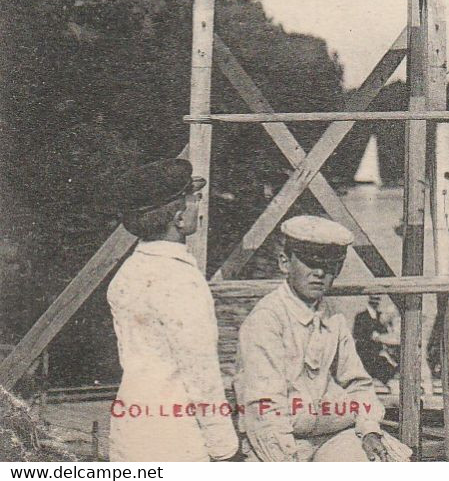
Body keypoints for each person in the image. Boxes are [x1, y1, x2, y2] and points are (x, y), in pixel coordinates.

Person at [236, 216, 411, 462]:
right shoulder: (266, 320)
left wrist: (370, 429)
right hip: (278, 444)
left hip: (332, 436)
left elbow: (358, 384)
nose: (320, 273)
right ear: (285, 263)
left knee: (384, 464)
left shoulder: (332, 316)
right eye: (309, 263)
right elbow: (263, 411)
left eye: (331, 266)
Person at [104, 159, 239, 463]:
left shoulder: (127, 273)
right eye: (194, 199)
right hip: (175, 433)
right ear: (179, 219)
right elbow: (201, 373)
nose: (198, 204)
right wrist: (224, 447)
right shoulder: (181, 280)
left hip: (131, 422)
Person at [351, 294, 399, 384]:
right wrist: (370, 336)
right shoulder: (361, 316)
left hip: (379, 352)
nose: (376, 302)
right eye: (374, 299)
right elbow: (357, 334)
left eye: (377, 299)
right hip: (366, 353)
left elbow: (386, 333)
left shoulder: (381, 317)